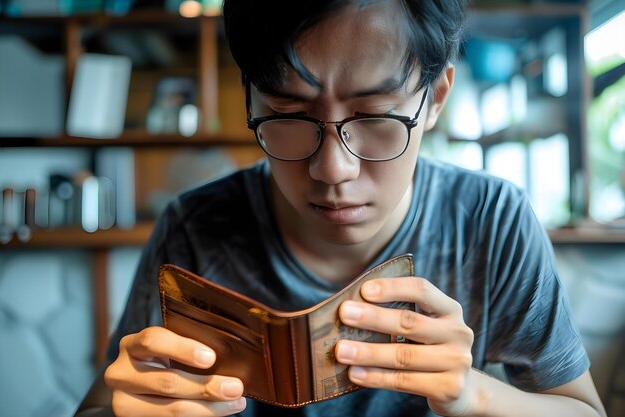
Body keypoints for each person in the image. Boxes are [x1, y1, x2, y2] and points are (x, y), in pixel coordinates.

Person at [75, 0, 607, 416]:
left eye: (376, 116)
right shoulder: (196, 227)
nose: (333, 169)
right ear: (251, 101)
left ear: (436, 97)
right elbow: (106, 403)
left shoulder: (489, 219)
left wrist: (474, 395)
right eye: (287, 112)